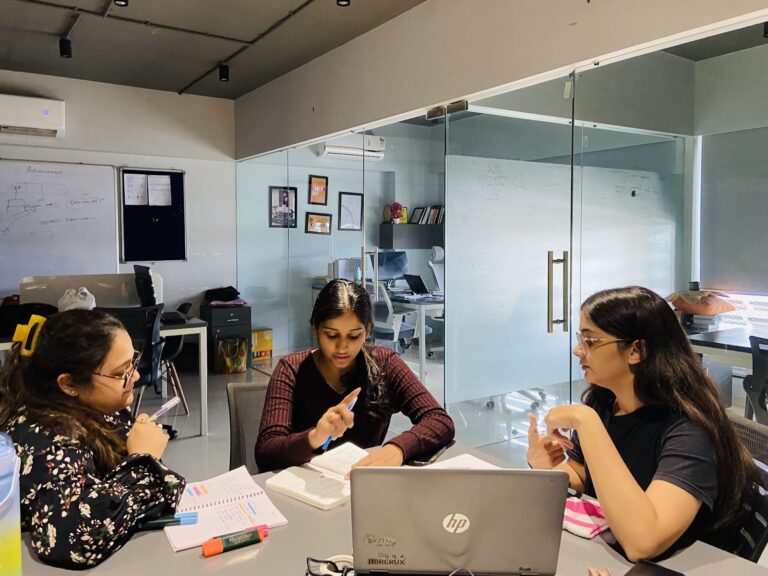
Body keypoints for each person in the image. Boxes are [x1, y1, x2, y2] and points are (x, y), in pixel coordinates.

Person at [527, 286, 758, 562]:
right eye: (581, 339)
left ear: (636, 350)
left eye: (590, 341)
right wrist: (548, 468)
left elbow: (644, 542)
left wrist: (586, 422)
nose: (578, 350)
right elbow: (582, 472)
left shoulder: (689, 430)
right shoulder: (604, 401)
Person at [0, 309, 185, 569]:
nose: (135, 376)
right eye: (121, 372)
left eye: (133, 361)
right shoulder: (45, 438)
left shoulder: (101, 410)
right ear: (69, 384)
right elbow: (73, 539)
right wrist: (143, 461)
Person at [255, 278, 454, 472]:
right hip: (299, 485)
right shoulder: (291, 369)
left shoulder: (384, 364)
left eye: (354, 336)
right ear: (315, 328)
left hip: (362, 483)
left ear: (368, 330)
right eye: (332, 335)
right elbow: (266, 452)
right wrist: (315, 437)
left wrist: (397, 448)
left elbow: (439, 420)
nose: (342, 347)